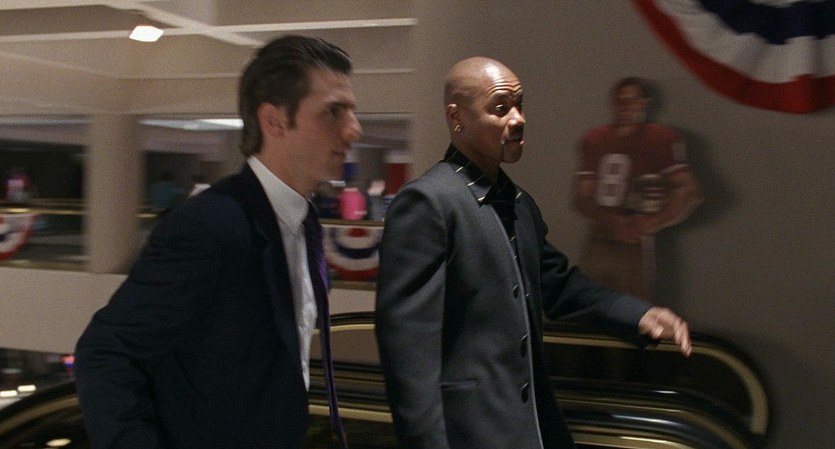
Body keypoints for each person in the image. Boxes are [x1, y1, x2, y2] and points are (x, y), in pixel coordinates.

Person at [374, 57, 691, 449]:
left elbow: (558, 284)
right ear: (457, 118)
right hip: (469, 433)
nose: (519, 119)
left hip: (533, 430)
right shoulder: (428, 203)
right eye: (501, 108)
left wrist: (637, 313)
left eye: (520, 105)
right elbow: (407, 349)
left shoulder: (520, 204)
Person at [74, 35, 362, 449]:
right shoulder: (209, 226)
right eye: (334, 112)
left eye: (352, 111)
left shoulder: (306, 224)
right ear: (274, 120)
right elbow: (105, 353)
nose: (354, 130)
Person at [574, 77, 701, 300]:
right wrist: (609, 220)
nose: (625, 106)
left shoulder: (660, 139)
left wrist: (653, 221)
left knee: (633, 309)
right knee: (587, 306)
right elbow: (582, 197)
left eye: (632, 100)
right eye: (620, 100)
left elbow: (689, 191)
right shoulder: (595, 139)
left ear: (645, 102)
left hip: (636, 241)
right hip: (600, 236)